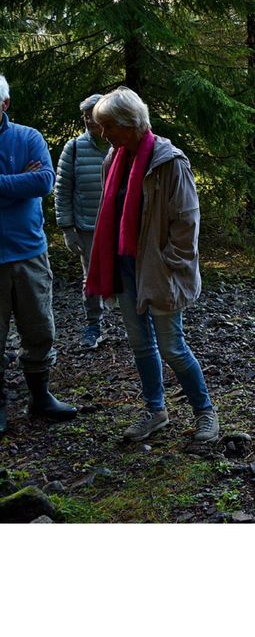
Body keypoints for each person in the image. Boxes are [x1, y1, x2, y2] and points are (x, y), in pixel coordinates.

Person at [86, 87, 219, 444]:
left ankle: (205, 413)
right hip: (124, 266)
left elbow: (187, 221)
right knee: (140, 345)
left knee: (172, 346)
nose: (103, 133)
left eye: (108, 126)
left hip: (158, 270)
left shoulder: (169, 161)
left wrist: (169, 263)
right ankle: (155, 410)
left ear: (129, 125)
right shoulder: (112, 160)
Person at [0, 73, 77, 436]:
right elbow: (28, 184)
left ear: (5, 104)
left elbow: (43, 182)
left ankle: (40, 397)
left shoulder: (28, 137)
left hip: (30, 253)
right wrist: (18, 183)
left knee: (40, 329)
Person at [54, 93, 108, 350]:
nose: (88, 120)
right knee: (91, 278)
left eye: (93, 115)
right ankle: (93, 325)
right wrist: (67, 228)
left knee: (129, 274)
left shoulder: (121, 145)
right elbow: (62, 190)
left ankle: (136, 325)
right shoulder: (73, 148)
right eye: (85, 116)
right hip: (87, 226)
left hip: (121, 226)